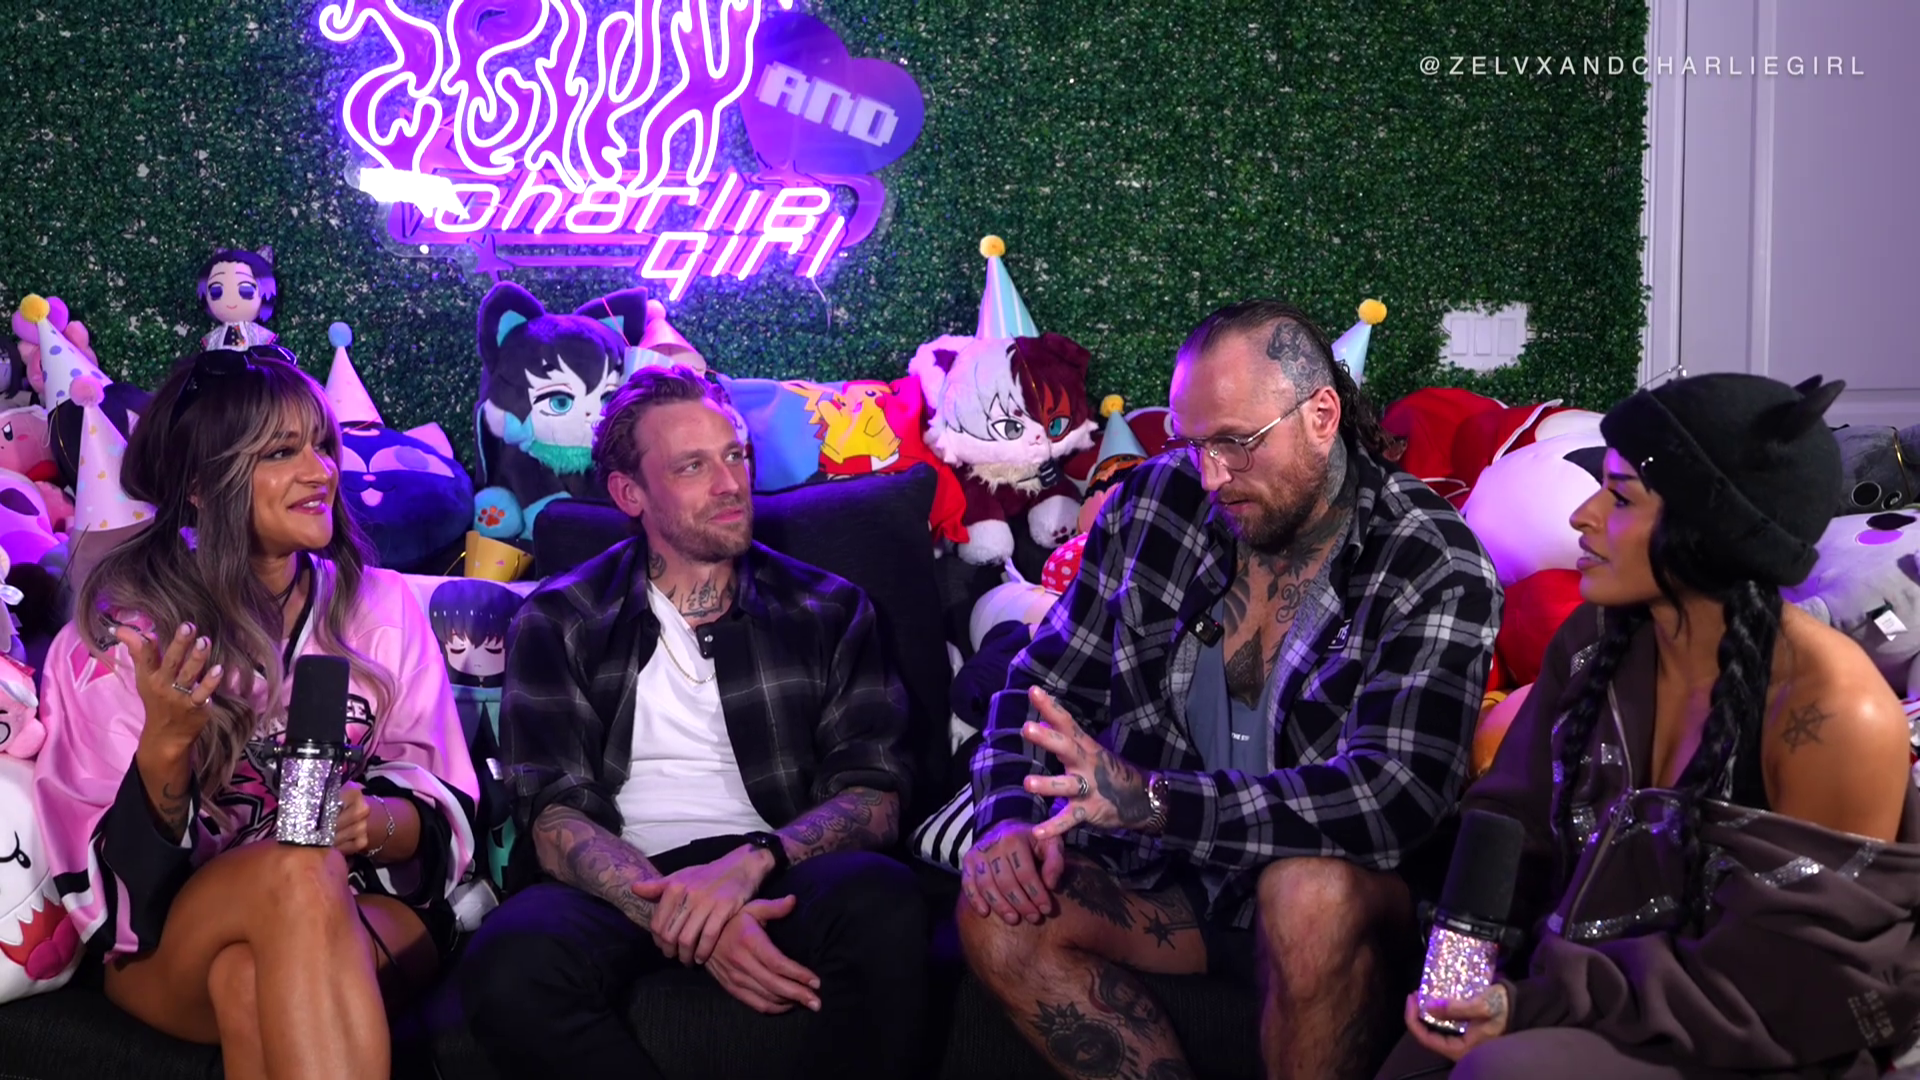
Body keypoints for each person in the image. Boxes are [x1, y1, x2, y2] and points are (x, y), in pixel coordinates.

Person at [958, 299, 1503, 1080]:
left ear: (1321, 415)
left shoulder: (1432, 562)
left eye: (1236, 443)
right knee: (997, 914)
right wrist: (1007, 819)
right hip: (1174, 888)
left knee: (1306, 894)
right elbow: (1042, 684)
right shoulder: (1154, 503)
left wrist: (1154, 800)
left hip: (1341, 901)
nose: (1211, 474)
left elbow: (1392, 800)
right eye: (1193, 443)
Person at [1375, 373, 1920, 1080]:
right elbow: (1508, 823)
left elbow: (1782, 981)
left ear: (1712, 529)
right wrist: (1459, 978)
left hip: (1746, 1035)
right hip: (1580, 1000)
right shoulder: (1595, 642)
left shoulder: (1834, 712)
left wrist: (1530, 1007)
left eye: (1621, 496)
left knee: (1504, 1071)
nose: (1582, 516)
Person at [458, 366, 927, 1079]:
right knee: (509, 962)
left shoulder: (828, 609)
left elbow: (875, 794)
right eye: (693, 466)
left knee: (884, 901)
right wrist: (689, 918)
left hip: (775, 863)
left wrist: (752, 864)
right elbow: (554, 818)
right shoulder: (561, 616)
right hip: (620, 879)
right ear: (631, 494)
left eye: (735, 455)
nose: (731, 483)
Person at [31, 346, 479, 1080]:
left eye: (322, 444)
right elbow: (113, 897)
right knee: (296, 874)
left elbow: (441, 798)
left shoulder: (382, 606)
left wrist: (377, 822)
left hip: (360, 899)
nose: (321, 471)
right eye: (280, 452)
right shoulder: (122, 639)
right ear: (201, 486)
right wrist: (167, 747)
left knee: (252, 974)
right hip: (174, 935)